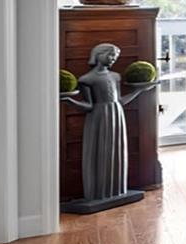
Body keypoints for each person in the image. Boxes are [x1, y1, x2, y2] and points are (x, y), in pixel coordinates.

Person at [61, 43, 153, 202]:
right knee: (100, 151)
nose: (112, 59)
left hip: (117, 114)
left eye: (115, 57)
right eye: (110, 55)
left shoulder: (116, 76)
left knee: (117, 150)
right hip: (98, 118)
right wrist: (69, 100)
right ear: (98, 55)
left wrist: (139, 90)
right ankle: (98, 193)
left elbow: (120, 101)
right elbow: (89, 106)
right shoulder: (87, 80)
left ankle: (117, 189)